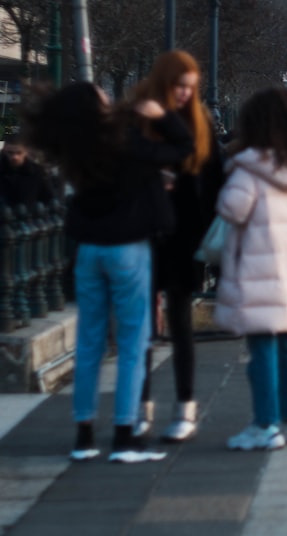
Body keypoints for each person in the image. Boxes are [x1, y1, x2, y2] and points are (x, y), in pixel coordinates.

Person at [20, 82, 194, 463]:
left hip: (89, 250)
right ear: (96, 106)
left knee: (89, 343)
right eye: (102, 94)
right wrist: (161, 116)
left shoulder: (76, 148)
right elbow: (183, 148)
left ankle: (84, 436)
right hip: (128, 249)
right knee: (133, 343)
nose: (108, 96)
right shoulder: (127, 141)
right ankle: (124, 435)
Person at [213, 86, 287, 451]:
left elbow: (231, 210)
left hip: (258, 278)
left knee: (261, 353)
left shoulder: (250, 171)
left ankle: (265, 425)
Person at [130, 50, 224, 443]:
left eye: (190, 87)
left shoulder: (200, 125)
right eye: (178, 86)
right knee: (142, 327)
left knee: (181, 322)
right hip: (142, 235)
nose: (184, 94)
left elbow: (215, 181)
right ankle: (139, 407)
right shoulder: (139, 118)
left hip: (186, 238)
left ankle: (184, 406)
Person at [0, 132, 56, 207]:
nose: (15, 157)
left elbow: (49, 199)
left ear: (25, 152)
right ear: (4, 150)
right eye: (10, 153)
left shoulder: (38, 171)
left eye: (19, 153)